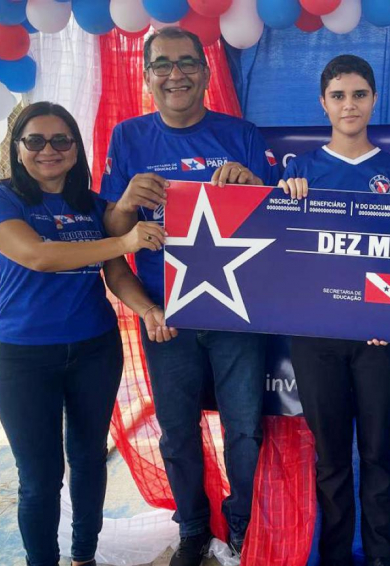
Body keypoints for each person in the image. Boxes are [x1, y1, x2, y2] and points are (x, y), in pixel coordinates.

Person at [100, 27, 279, 566]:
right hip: (165, 317)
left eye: (186, 64)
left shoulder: (241, 133)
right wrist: (127, 201)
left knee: (244, 429)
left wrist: (253, 185)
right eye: (162, 65)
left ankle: (243, 521)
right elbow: (109, 236)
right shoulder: (128, 137)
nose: (174, 74)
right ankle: (194, 529)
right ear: (147, 75)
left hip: (237, 312)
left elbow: (280, 228)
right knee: (177, 432)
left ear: (204, 74)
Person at [0, 101, 164, 566]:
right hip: (23, 357)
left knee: (88, 460)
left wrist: (148, 310)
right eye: (34, 140)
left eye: (61, 139)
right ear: (17, 149)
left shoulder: (92, 206)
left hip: (94, 350)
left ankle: (84, 557)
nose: (49, 150)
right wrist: (124, 239)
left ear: (77, 149)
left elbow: (116, 274)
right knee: (39, 477)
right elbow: (38, 255)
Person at [280, 54, 390, 566]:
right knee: (331, 457)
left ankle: (382, 557)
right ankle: (335, 556)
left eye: (359, 94)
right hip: (317, 340)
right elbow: (282, 255)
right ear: (323, 103)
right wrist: (286, 200)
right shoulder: (300, 171)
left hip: (381, 337)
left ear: (373, 99)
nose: (349, 104)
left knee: (378, 451)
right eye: (338, 95)